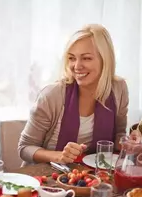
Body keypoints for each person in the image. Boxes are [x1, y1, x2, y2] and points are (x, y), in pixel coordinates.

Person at [18, 24, 129, 165]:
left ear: (105, 60)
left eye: (86, 58)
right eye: (71, 58)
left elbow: (119, 135)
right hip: (46, 176)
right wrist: (59, 156)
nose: (77, 66)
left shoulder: (119, 89)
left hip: (93, 175)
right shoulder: (52, 96)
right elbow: (24, 148)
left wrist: (129, 143)